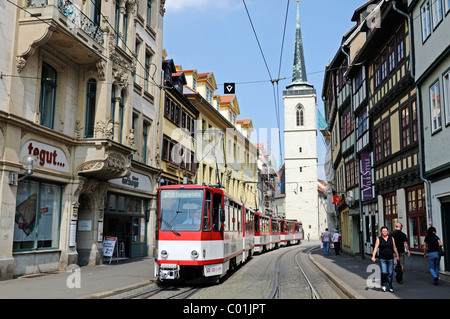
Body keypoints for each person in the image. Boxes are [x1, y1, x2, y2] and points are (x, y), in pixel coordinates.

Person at [371, 226, 399, 292]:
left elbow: (394, 247)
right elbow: (375, 248)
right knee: (384, 272)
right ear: (381, 232)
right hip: (382, 258)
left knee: (390, 273)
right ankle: (383, 285)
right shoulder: (379, 239)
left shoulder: (391, 238)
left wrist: (397, 255)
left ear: (387, 232)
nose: (385, 232)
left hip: (390, 258)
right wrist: (373, 256)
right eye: (383, 231)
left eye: (386, 231)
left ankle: (390, 286)